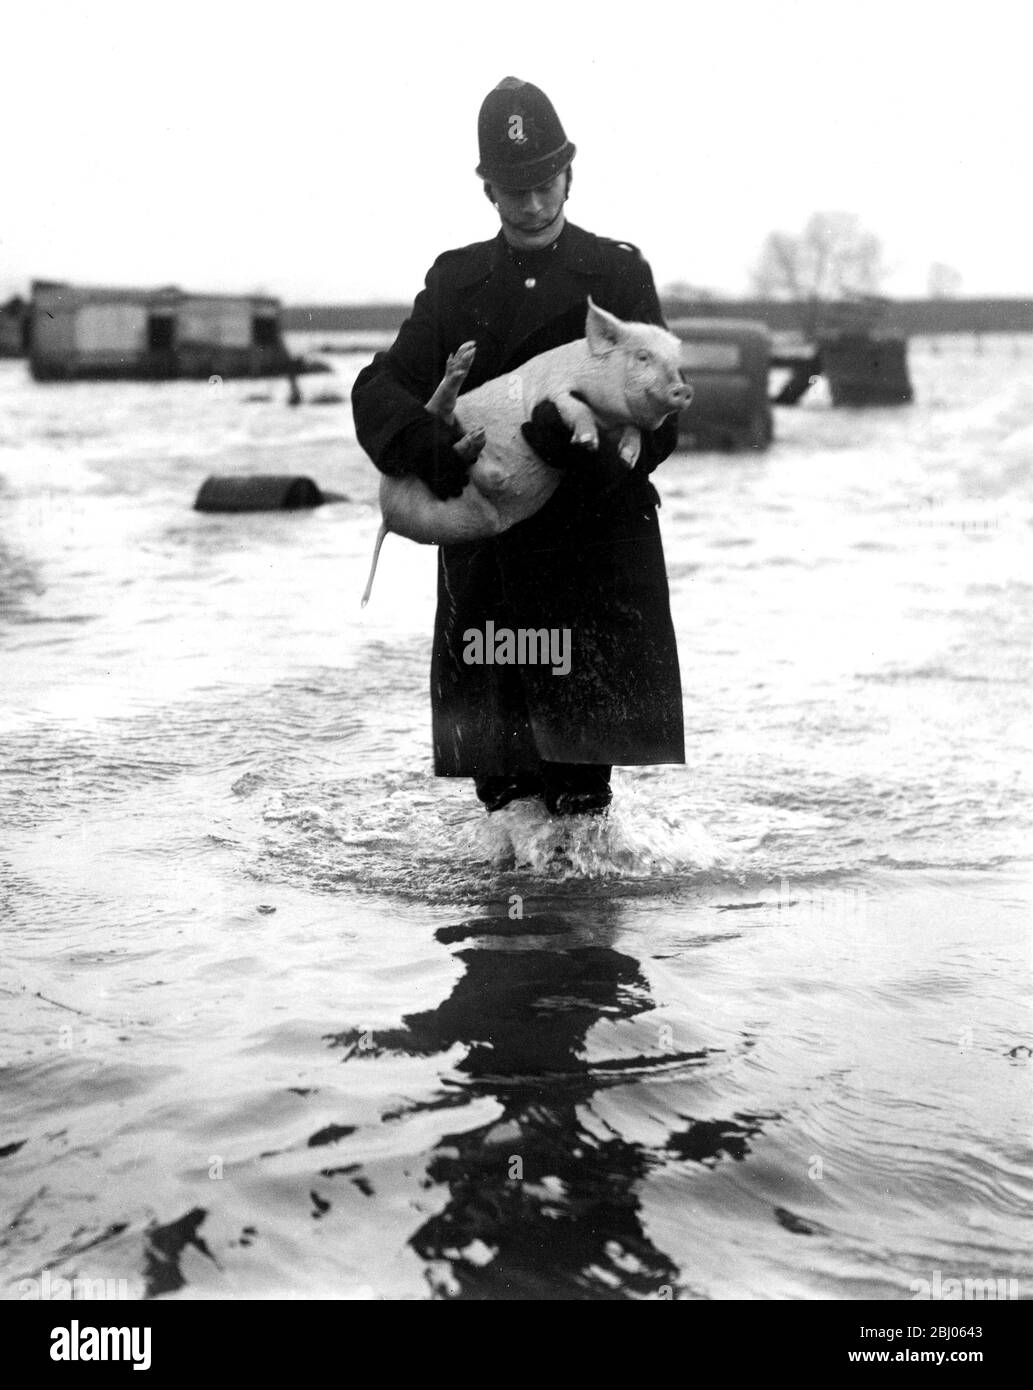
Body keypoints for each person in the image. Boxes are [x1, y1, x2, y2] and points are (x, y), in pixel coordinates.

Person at [352, 76, 684, 817]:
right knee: (501, 794)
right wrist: (429, 446)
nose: (532, 205)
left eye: (544, 184)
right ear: (487, 192)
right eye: (512, 190)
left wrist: (579, 453)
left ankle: (575, 925)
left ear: (569, 175)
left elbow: (660, 422)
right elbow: (382, 387)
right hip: (490, 569)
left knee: (579, 792)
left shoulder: (618, 275)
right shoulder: (455, 281)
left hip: (589, 562)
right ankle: (511, 923)